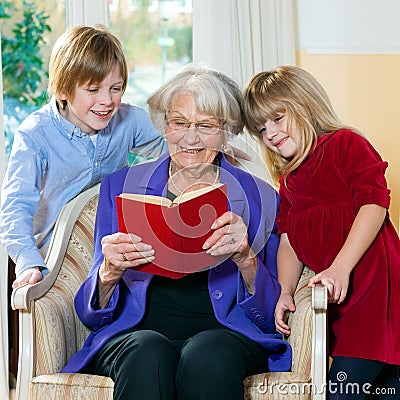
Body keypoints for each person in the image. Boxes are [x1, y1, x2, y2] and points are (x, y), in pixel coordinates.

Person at [62, 66, 292, 400]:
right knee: (148, 350)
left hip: (224, 335)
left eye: (206, 126)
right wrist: (108, 273)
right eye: (179, 123)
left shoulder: (260, 197)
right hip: (137, 335)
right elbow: (89, 311)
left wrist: (246, 258)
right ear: (165, 126)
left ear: (226, 132)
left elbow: (270, 313)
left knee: (207, 352)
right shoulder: (121, 187)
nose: (190, 138)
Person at [244, 65, 400, 399]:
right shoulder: (289, 180)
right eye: (260, 128)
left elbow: (374, 204)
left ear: (305, 105)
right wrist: (285, 290)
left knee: (341, 391)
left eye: (278, 118)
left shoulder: (346, 144)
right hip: (340, 303)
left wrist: (341, 267)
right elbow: (289, 239)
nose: (270, 133)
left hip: (376, 296)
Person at [0, 25, 167, 288]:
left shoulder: (129, 119)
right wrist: (28, 262)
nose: (108, 101)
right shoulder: (35, 136)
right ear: (63, 91)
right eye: (93, 90)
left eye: (116, 88)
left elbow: (168, 152)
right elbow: (15, 207)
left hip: (113, 253)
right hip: (57, 262)